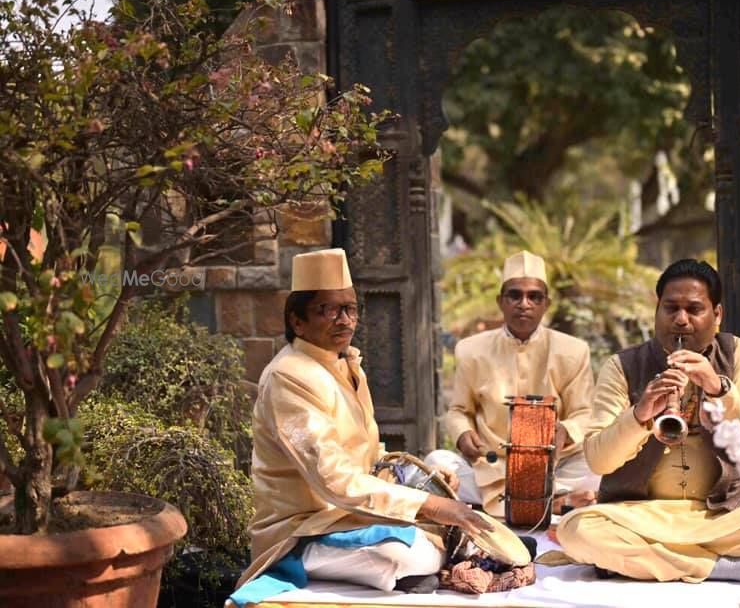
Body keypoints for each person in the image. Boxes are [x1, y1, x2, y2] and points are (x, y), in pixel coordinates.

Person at [235, 248, 491, 598]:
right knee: (404, 551)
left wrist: (423, 485)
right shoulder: (289, 376)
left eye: (350, 308)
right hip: (303, 528)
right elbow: (333, 479)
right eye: (328, 309)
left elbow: (368, 457)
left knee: (435, 522)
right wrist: (432, 505)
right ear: (297, 321)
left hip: (348, 516)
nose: (345, 320)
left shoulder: (346, 364)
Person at [555, 259, 740, 582]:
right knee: (578, 532)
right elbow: (597, 460)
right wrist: (640, 414)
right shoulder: (622, 366)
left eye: (694, 309)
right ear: (656, 310)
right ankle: (723, 567)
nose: (681, 320)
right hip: (642, 513)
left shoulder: (734, 352)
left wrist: (718, 388)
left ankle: (646, 561)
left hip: (719, 512)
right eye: (670, 308)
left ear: (717, 315)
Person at [427, 250, 598, 518]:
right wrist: (461, 433)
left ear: (546, 304)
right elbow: (459, 410)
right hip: (492, 465)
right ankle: (551, 505)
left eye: (534, 297)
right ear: (501, 302)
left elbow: (585, 413)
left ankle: (516, 504)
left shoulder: (574, 350)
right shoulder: (471, 349)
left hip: (555, 468)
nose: (524, 303)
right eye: (515, 295)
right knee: (436, 462)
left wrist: (566, 430)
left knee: (598, 468)